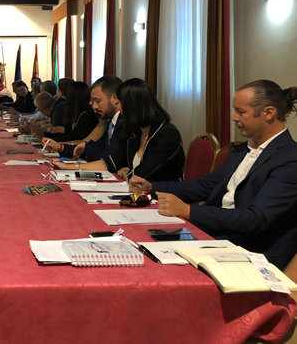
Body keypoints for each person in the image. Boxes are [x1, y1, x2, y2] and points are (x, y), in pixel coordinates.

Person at [130, 80, 297, 270]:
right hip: (218, 235)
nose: (234, 118)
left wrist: (188, 211)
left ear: (268, 113)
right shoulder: (242, 149)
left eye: (241, 112)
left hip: (252, 250)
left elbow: (255, 218)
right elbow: (206, 186)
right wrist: (152, 187)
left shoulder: (290, 159)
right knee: (139, 244)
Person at [52, 78, 185, 182]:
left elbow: (141, 174)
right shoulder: (136, 132)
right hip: (138, 193)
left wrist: (128, 172)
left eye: (121, 104)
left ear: (134, 106)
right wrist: (68, 167)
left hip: (164, 198)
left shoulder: (167, 134)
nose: (119, 110)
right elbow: (112, 162)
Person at [43, 75, 123, 160]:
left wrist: (86, 147)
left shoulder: (122, 123)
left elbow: (105, 156)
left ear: (115, 99)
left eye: (97, 101)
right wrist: (60, 147)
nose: (93, 105)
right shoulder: (110, 121)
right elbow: (96, 145)